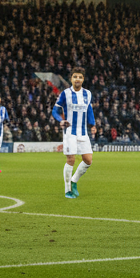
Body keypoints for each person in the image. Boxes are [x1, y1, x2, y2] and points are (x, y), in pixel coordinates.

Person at [52, 68, 96, 198]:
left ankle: (74, 181)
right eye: (75, 76)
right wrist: (61, 120)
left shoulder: (87, 94)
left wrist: (93, 125)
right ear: (71, 79)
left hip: (83, 132)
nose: (78, 79)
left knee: (88, 160)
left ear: (83, 79)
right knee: (71, 159)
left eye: (80, 77)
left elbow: (89, 110)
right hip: (70, 132)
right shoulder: (65, 94)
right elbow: (55, 110)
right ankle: (68, 190)